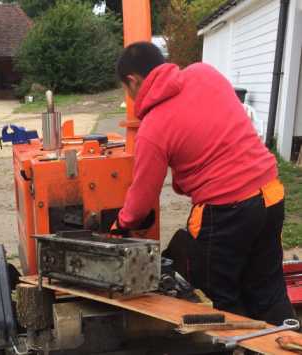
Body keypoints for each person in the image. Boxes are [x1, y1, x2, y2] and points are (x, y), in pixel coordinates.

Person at [111, 41, 295, 325]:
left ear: (133, 80)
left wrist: (121, 225)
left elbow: (141, 201)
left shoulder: (153, 127)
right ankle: (287, 342)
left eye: (127, 89)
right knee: (267, 288)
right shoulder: (205, 73)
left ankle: (242, 345)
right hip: (270, 194)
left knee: (218, 295)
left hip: (226, 211)